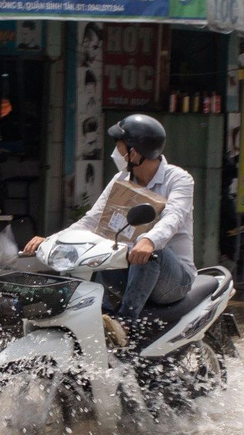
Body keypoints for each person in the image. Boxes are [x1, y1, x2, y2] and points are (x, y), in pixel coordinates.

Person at [23, 113, 195, 322]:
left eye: (119, 146)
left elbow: (173, 217)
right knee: (92, 252)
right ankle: (99, 319)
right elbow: (92, 221)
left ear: (134, 153)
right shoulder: (121, 180)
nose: (116, 152)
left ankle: (126, 322)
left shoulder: (179, 179)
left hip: (173, 281)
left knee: (151, 252)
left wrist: (149, 241)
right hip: (131, 272)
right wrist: (52, 240)